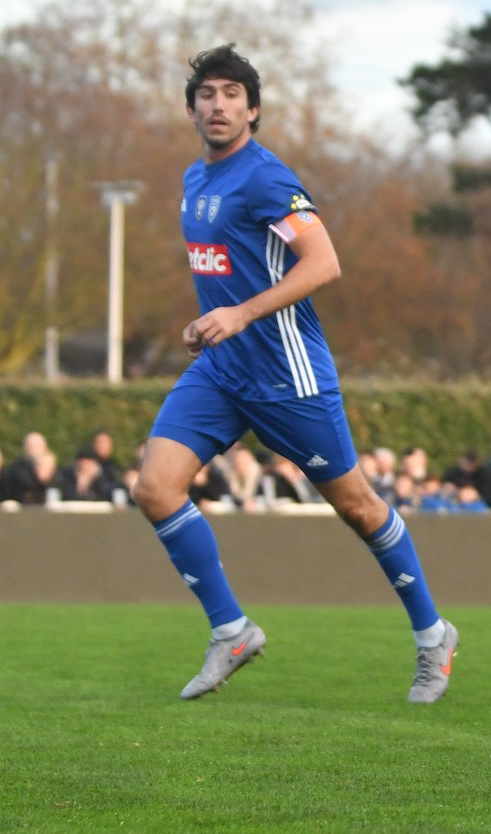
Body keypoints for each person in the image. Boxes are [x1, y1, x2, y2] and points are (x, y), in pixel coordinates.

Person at [129, 44, 457, 703]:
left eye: (231, 94)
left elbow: (324, 263)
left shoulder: (267, 179)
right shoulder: (196, 181)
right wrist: (211, 322)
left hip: (288, 375)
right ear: (192, 108)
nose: (218, 105)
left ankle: (433, 636)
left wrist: (242, 314)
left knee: (358, 507)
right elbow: (226, 275)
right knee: (154, 489)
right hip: (221, 373)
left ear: (253, 109)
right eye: (207, 94)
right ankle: (232, 631)